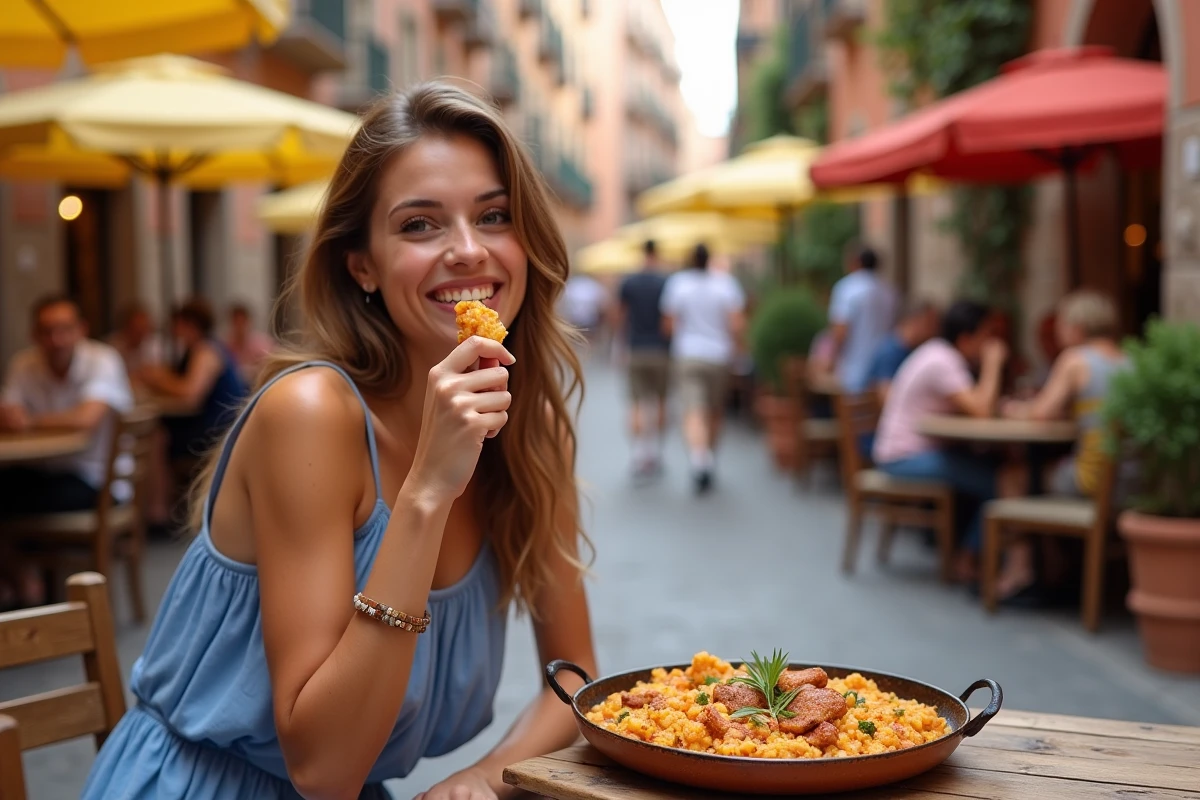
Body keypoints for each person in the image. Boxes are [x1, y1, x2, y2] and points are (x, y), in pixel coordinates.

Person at [81, 81, 597, 800]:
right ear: (362, 264)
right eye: (420, 225)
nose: (467, 249)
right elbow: (323, 768)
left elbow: (576, 681)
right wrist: (427, 492)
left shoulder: (525, 435)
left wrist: (485, 777)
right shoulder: (311, 415)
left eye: (494, 215)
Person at [0, 296, 133, 606]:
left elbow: (86, 419)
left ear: (81, 330)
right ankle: (22, 583)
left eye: (64, 329)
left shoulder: (102, 360)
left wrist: (30, 421)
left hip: (96, 481)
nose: (56, 339)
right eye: (47, 331)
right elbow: (10, 411)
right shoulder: (24, 364)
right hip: (41, 472)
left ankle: (25, 588)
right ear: (34, 334)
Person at [995, 290, 1128, 599]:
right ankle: (1056, 566)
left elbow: (1040, 413)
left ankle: (1021, 570)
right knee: (1043, 472)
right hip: (1131, 481)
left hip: (1092, 481)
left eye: (1062, 325)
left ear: (1077, 328)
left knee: (1013, 477)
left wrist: (1013, 409)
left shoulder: (1075, 360)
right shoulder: (1128, 360)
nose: (1058, 332)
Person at [872, 300, 1018, 581]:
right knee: (1000, 482)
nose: (991, 343)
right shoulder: (943, 361)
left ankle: (976, 553)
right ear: (965, 338)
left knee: (993, 467)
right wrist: (993, 363)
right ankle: (968, 559)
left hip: (910, 452)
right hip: (903, 458)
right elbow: (982, 410)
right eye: (987, 335)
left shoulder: (940, 354)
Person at [660, 243, 746, 494]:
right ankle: (708, 457)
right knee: (715, 410)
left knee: (693, 409)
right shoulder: (725, 284)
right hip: (719, 355)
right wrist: (738, 351)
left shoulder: (678, 284)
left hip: (688, 354)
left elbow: (668, 325)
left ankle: (700, 459)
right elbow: (736, 324)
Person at [137, 298, 249, 461]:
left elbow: (190, 395)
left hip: (216, 432)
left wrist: (158, 379)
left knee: (158, 436)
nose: (173, 329)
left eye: (176, 324)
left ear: (189, 324)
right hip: (215, 427)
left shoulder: (206, 351)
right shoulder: (198, 349)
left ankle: (168, 477)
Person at [616, 239, 671, 479]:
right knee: (660, 401)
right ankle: (656, 452)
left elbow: (620, 316)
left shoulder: (630, 282)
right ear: (657, 254)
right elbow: (669, 319)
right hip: (660, 350)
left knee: (636, 402)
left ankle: (638, 454)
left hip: (636, 348)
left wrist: (620, 345)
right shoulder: (666, 282)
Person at [820, 241, 899, 393]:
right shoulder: (889, 291)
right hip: (883, 371)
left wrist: (830, 359)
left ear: (855, 261)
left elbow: (840, 331)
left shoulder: (847, 288)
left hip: (854, 369)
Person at [864, 298, 940, 402]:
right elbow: (886, 396)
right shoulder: (890, 351)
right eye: (930, 324)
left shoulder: (911, 349)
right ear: (916, 321)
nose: (934, 331)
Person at [107, 301, 166, 386]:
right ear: (126, 327)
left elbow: (158, 375)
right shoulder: (112, 348)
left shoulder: (154, 345)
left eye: (145, 328)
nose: (142, 333)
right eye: (137, 329)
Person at [225, 301, 276, 385]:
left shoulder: (262, 343)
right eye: (236, 322)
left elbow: (271, 367)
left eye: (242, 322)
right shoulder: (226, 345)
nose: (239, 326)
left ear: (248, 322)